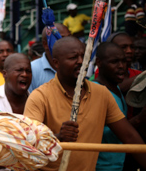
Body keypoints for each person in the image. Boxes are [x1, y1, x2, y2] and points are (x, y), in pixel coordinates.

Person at [24, 37, 146, 171]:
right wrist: (58, 137)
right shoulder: (40, 96)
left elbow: (129, 136)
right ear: (56, 63)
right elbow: (28, 144)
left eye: (84, 56)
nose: (81, 61)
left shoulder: (102, 93)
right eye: (73, 57)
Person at [94, 42, 128, 170]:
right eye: (115, 62)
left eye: (124, 61)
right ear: (99, 62)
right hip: (102, 167)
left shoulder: (116, 88)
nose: (121, 66)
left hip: (118, 164)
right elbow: (122, 132)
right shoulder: (96, 92)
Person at [28, 23, 71, 93]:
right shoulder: (32, 69)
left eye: (69, 38)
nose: (68, 43)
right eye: (61, 39)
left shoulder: (76, 66)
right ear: (45, 44)